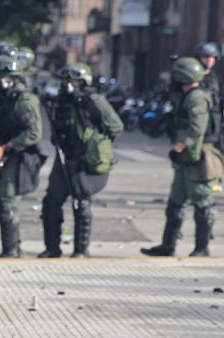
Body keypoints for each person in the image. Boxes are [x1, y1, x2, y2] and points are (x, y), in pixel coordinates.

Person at [39, 63, 123, 258]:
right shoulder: (61, 100)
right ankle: (52, 248)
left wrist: (95, 142)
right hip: (64, 157)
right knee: (51, 201)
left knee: (81, 203)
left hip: (84, 159)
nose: (68, 85)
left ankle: (80, 249)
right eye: (65, 81)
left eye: (73, 81)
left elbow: (115, 126)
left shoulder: (92, 100)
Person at [141, 57, 216, 257]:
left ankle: (202, 247)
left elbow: (196, 129)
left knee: (202, 201)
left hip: (196, 158)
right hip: (184, 159)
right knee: (175, 202)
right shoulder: (184, 97)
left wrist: (183, 146)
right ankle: (168, 245)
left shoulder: (197, 98)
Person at [0, 55, 44, 258]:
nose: (2, 81)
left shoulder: (24, 100)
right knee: (1, 200)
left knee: (6, 201)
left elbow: (34, 133)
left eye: (7, 77)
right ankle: (12, 246)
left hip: (19, 154)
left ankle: (11, 250)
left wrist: (7, 147)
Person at [195, 42, 221, 148]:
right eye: (206, 56)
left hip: (214, 125)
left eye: (212, 57)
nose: (209, 60)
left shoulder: (214, 77)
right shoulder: (194, 77)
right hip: (199, 124)